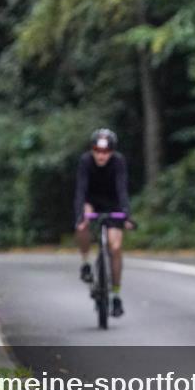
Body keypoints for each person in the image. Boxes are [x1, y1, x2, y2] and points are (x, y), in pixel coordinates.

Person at [75, 128, 132, 317]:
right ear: (92, 150)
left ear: (112, 152)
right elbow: (81, 190)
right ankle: (85, 262)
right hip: (92, 202)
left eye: (106, 152)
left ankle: (116, 295)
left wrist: (126, 215)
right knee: (83, 220)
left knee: (115, 248)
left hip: (113, 204)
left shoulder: (118, 162)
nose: (101, 155)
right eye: (97, 151)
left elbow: (122, 189)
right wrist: (80, 216)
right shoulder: (85, 161)